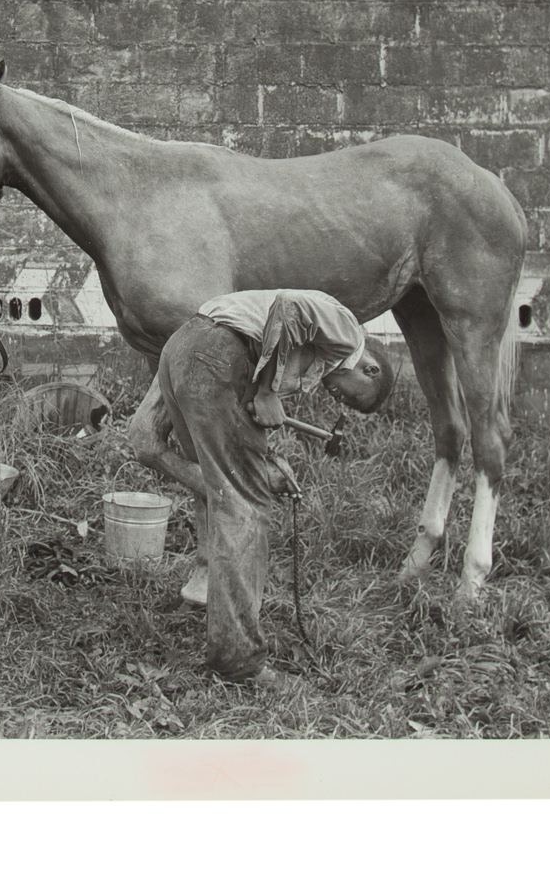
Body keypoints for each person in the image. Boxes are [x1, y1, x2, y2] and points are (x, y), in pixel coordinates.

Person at [155, 288, 394, 685]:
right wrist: (266, 390)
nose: (339, 399)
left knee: (226, 490)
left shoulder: (313, 351)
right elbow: (290, 307)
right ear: (369, 369)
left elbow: (239, 427)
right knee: (244, 509)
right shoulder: (349, 334)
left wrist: (265, 461)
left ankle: (215, 613)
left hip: (183, 349)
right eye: (351, 397)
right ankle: (239, 664)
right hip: (220, 354)